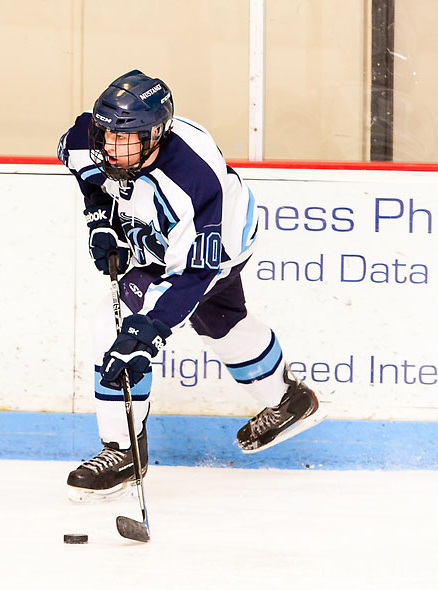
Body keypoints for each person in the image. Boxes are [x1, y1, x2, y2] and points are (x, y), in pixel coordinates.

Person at [57, 70, 326, 501]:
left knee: (116, 332)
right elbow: (89, 175)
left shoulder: (193, 184)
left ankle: (123, 452)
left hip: (217, 248)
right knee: (221, 322)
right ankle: (290, 400)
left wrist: (151, 331)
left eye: (125, 140)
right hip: (174, 240)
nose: (111, 147)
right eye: (107, 134)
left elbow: (196, 275)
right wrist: (99, 219)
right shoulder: (90, 137)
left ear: (156, 134)